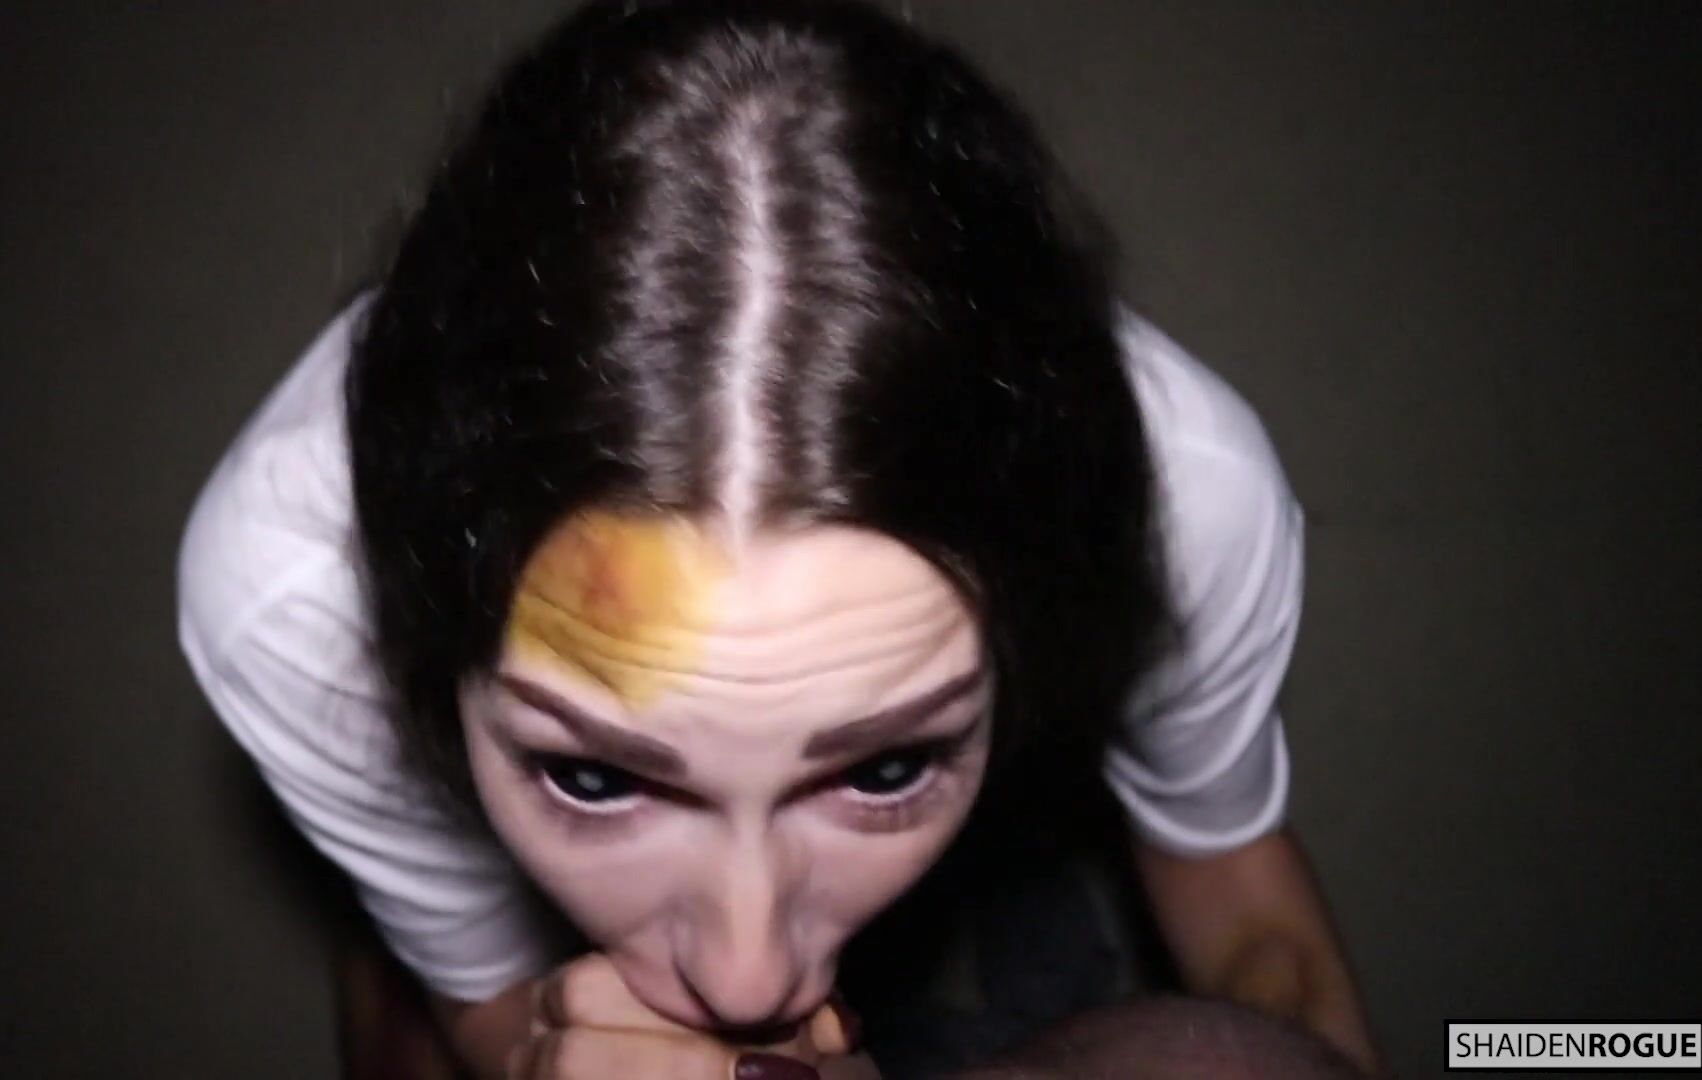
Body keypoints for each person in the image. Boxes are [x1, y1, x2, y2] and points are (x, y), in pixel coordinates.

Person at [178, 1, 1380, 1076]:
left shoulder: (1185, 505)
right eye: (592, 777)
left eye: (888, 768)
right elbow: (490, 1001)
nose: (749, 980)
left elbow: (1241, 896)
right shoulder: (295, 597)